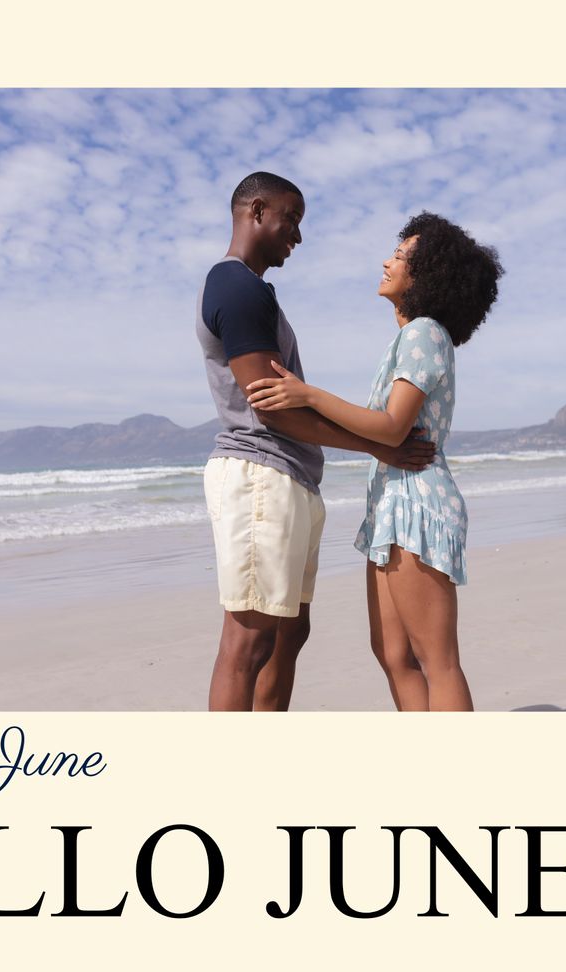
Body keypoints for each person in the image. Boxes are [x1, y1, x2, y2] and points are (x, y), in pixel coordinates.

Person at [197, 173, 437, 712]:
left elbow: (288, 403)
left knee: (288, 634)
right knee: (249, 639)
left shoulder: (257, 292)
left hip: (291, 477)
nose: (297, 237)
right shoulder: (234, 286)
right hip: (261, 473)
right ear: (256, 210)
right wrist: (379, 446)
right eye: (292, 219)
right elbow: (271, 408)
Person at [246, 211, 503, 711]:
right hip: (391, 503)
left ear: (427, 275)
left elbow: (391, 426)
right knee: (392, 653)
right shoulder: (409, 338)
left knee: (437, 659)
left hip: (416, 503)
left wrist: (308, 396)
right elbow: (383, 427)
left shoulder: (425, 333)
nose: (387, 262)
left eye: (401, 257)